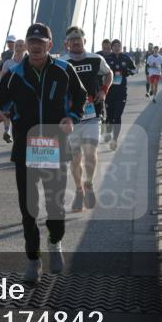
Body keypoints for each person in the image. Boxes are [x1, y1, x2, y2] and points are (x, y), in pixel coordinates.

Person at [0, 23, 86, 284]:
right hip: (25, 147)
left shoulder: (64, 71)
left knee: (55, 206)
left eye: (41, 42)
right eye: (32, 41)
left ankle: (55, 243)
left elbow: (80, 97)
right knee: (28, 208)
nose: (36, 46)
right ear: (27, 44)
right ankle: (33, 259)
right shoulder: (15, 74)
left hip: (54, 145)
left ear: (50, 45)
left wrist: (71, 116)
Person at [60, 26, 112, 212]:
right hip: (72, 118)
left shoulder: (96, 59)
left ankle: (88, 184)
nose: (75, 42)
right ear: (67, 44)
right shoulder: (61, 62)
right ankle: (79, 190)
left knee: (90, 153)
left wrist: (103, 91)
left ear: (85, 41)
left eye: (78, 39)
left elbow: (109, 74)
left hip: (92, 114)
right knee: (75, 157)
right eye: (72, 40)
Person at [104, 39, 137, 150]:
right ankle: (108, 130)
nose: (117, 48)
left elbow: (134, 70)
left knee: (117, 116)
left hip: (121, 91)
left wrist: (128, 71)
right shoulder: (107, 58)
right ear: (112, 47)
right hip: (109, 91)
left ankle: (114, 140)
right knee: (109, 116)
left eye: (119, 46)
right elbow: (100, 72)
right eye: (115, 46)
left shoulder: (125, 58)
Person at [0, 38, 27, 143]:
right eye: (17, 46)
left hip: (25, 96)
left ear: (25, 47)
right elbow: (2, 79)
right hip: (11, 95)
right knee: (8, 114)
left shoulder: (29, 62)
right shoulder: (7, 63)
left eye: (21, 45)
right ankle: (8, 132)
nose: (18, 48)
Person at [98, 38, 114, 143]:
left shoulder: (115, 56)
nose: (106, 50)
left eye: (108, 48)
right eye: (104, 48)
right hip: (100, 88)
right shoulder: (97, 56)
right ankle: (103, 130)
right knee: (102, 110)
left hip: (113, 88)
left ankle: (108, 131)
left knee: (111, 111)